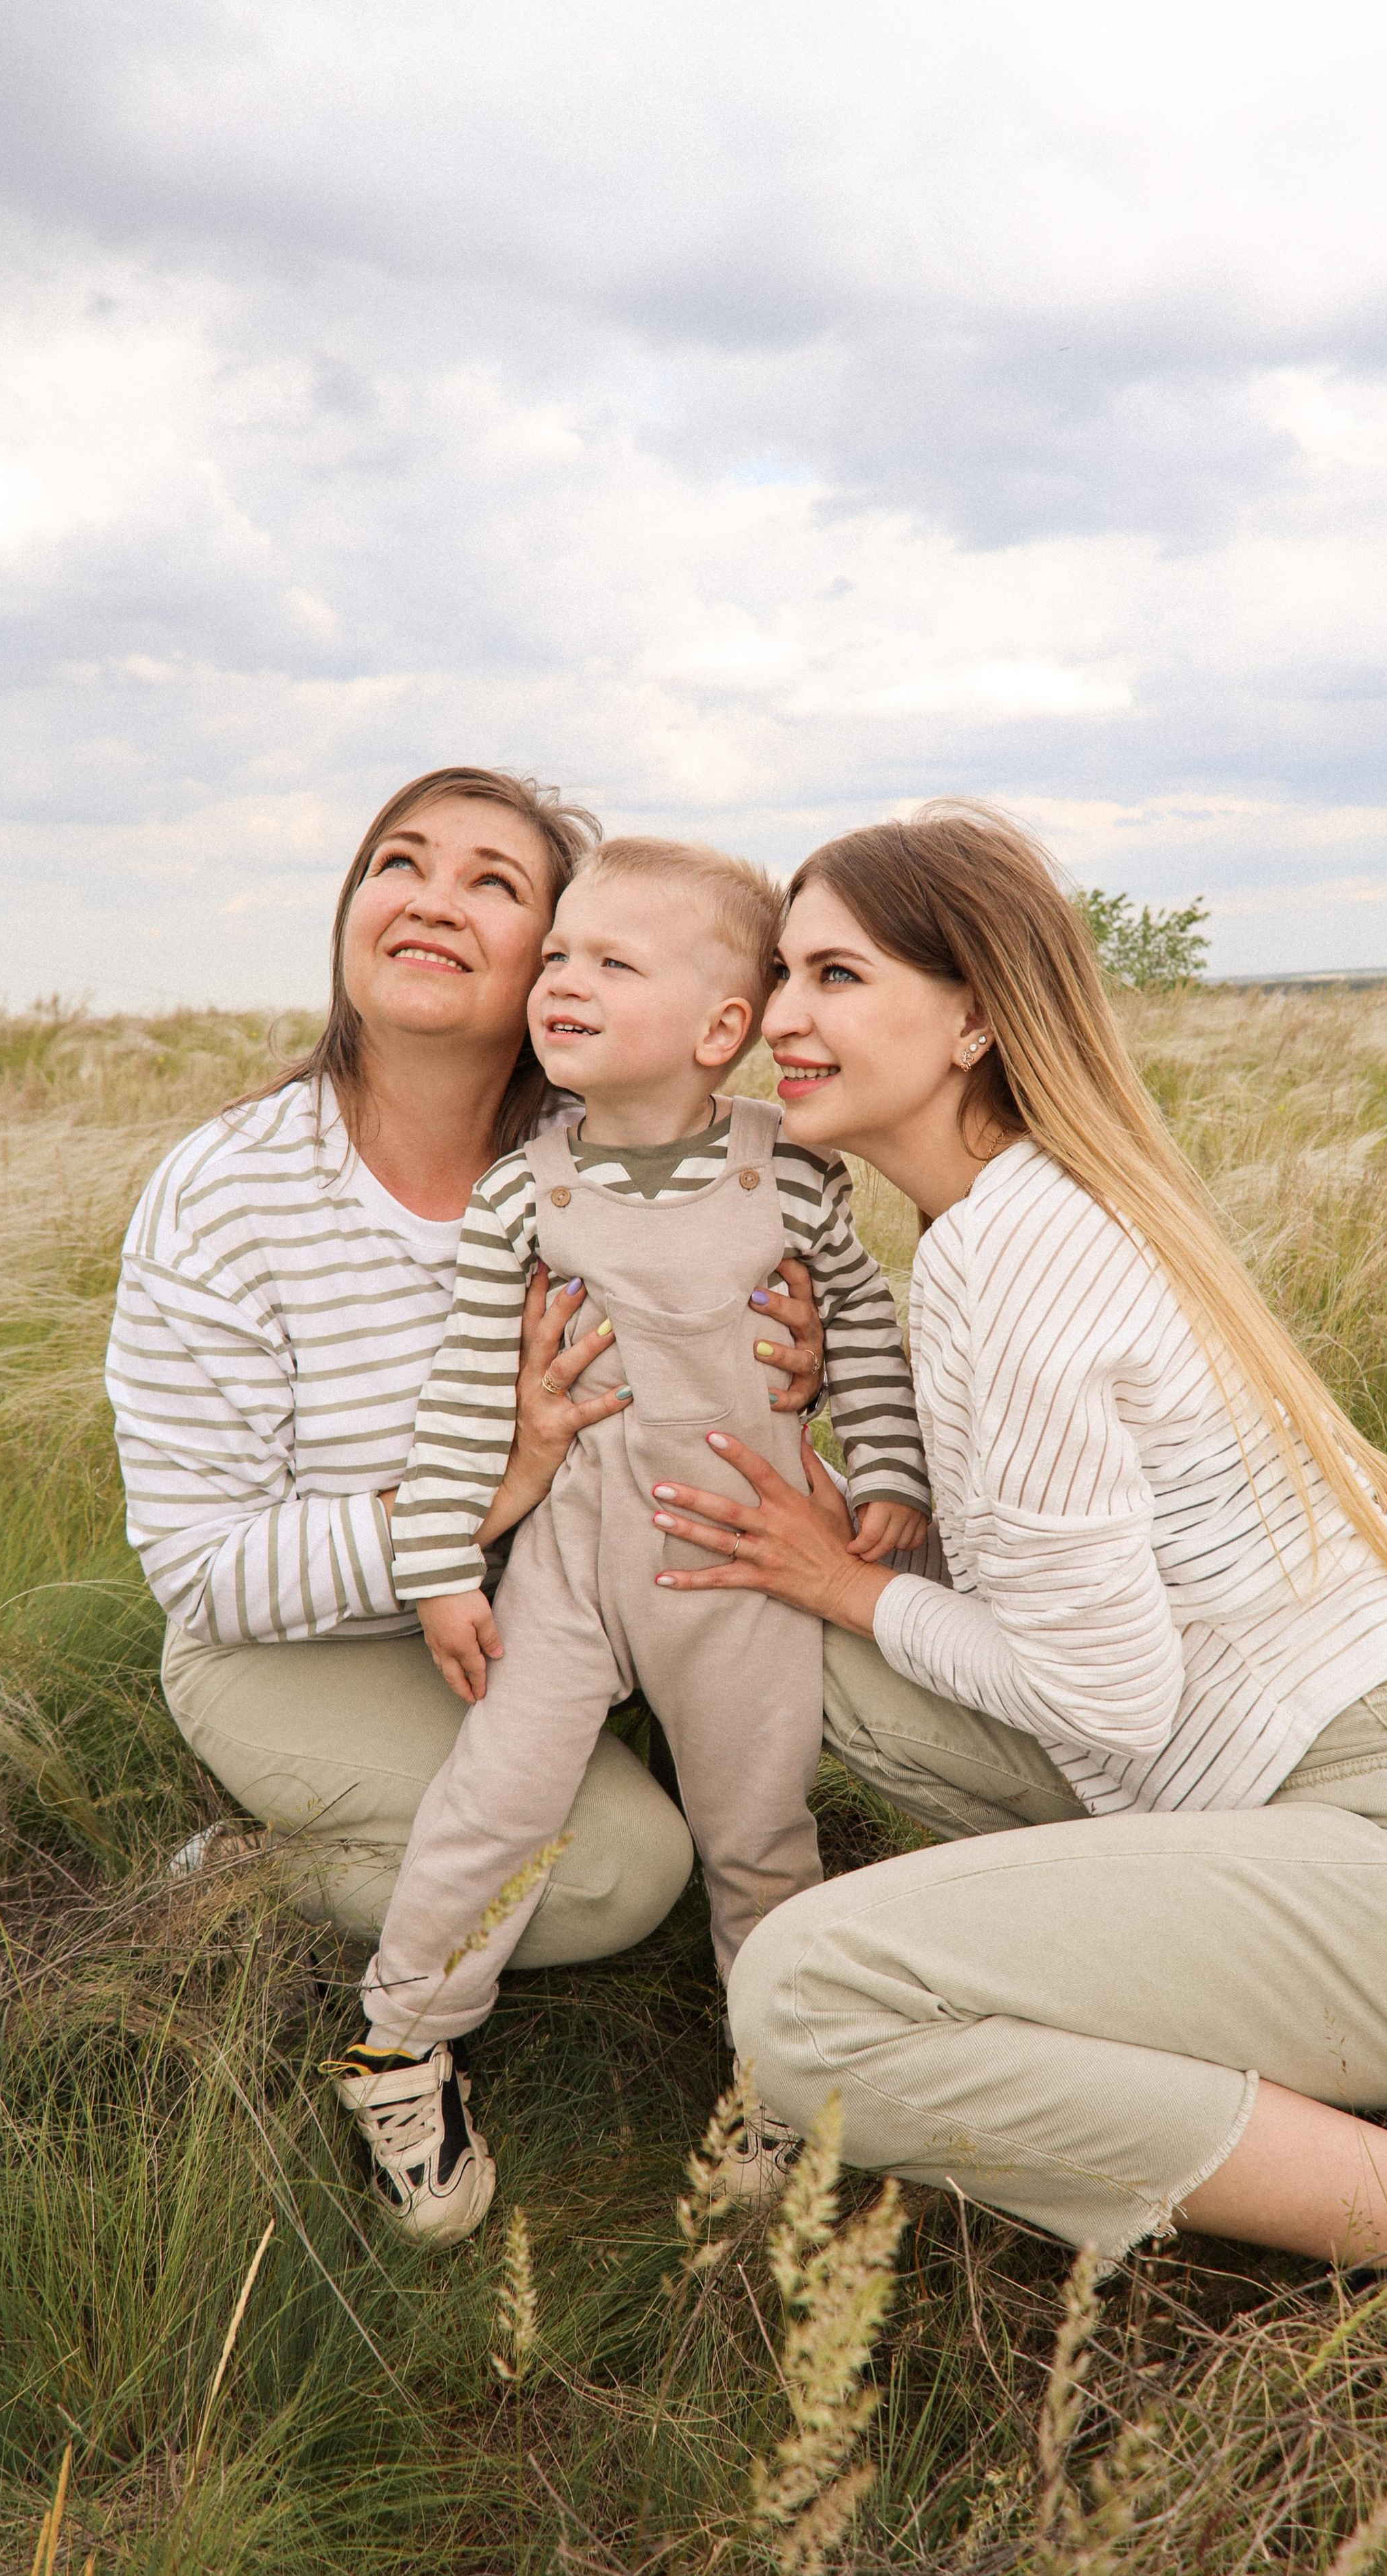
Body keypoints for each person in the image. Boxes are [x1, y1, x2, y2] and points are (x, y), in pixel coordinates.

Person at [648, 803, 1387, 2405]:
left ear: (971, 1018)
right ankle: (1220, 2060)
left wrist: (848, 1577)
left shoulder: (1013, 1263)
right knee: (786, 1635)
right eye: (777, 975)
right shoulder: (1005, 1217)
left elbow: (1098, 1695)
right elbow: (1084, 1597)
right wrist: (852, 1551)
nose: (783, 1017)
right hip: (1296, 1777)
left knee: (809, 2003)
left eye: (834, 974)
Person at [105, 768, 827, 2178]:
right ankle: (259, 1882)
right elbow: (200, 1572)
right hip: (297, 1646)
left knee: (767, 1738)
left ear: (556, 963)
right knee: (623, 1876)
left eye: (498, 884)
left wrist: (780, 1353)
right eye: (400, 863)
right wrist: (484, 1496)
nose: (434, 898)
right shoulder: (228, 1192)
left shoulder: (588, 1158)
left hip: (558, 1612)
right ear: (349, 913)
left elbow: (735, 1307)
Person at [332, 838, 930, 2238]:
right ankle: (399, 2044)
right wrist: (436, 1567)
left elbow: (861, 1339)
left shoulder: (785, 1179)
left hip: (741, 1566)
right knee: (496, 1802)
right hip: (571, 1568)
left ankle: (778, 2077)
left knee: (757, 1830)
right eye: (556, 957)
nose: (562, 980)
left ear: (723, 1029)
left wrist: (888, 1471)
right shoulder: (518, 1198)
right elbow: (467, 1396)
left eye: (612, 961)